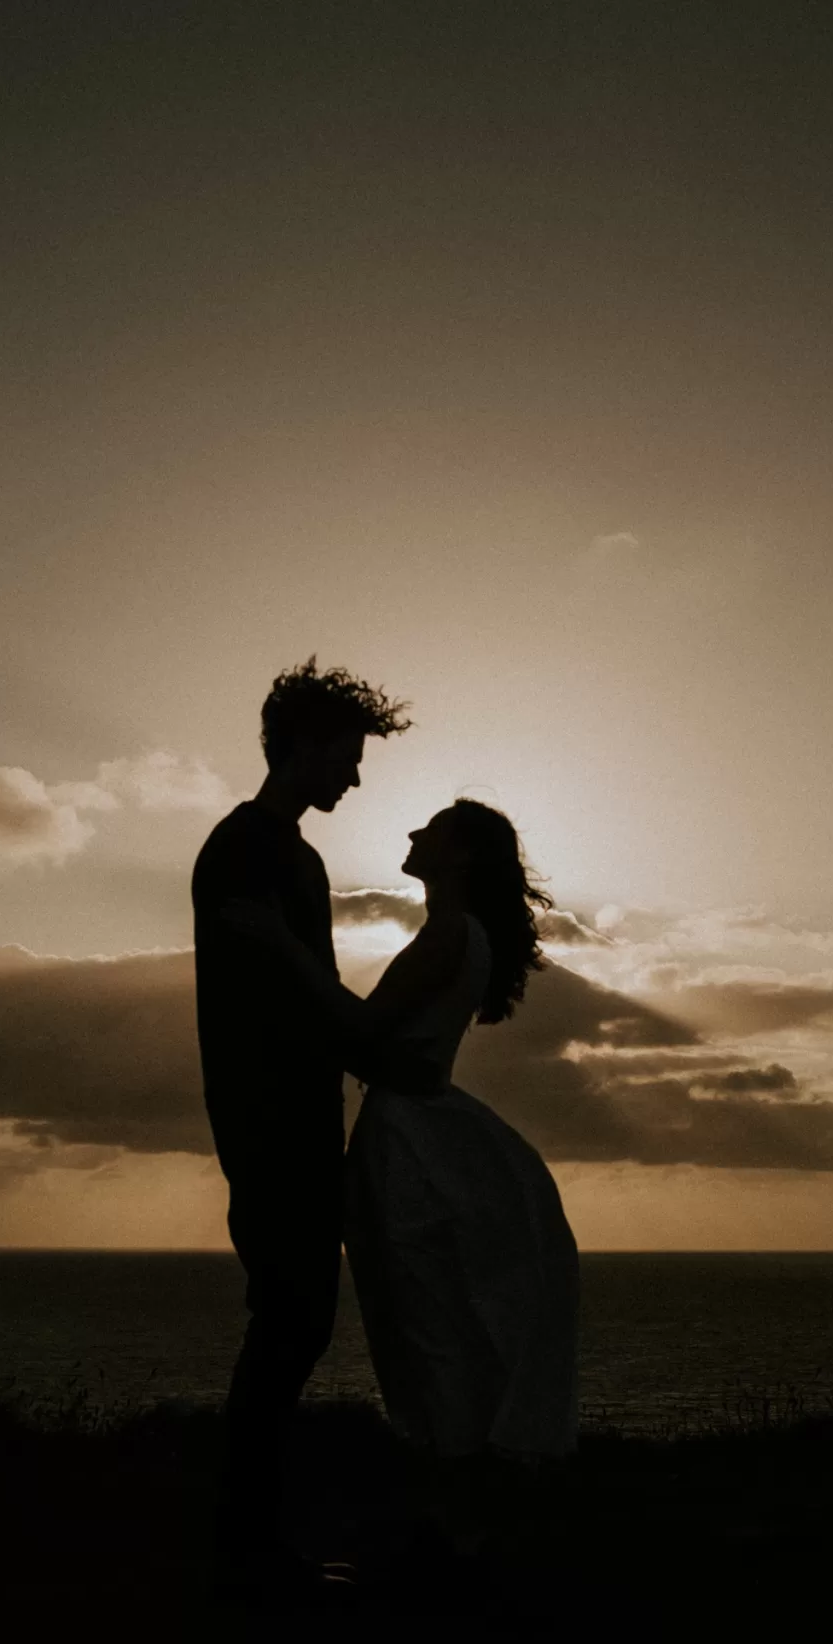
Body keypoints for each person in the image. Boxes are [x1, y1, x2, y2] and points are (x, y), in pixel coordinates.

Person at [223, 798, 580, 1561]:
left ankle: (453, 1534)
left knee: (423, 1322)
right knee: (435, 1317)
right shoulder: (470, 936)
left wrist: (282, 949)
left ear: (459, 856)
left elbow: (359, 1032)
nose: (414, 834)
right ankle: (459, 1526)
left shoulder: (450, 933)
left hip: (407, 1141)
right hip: (418, 1124)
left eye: (432, 829)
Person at [190, 658, 417, 1594]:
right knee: (292, 1319)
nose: (355, 777)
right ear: (306, 746)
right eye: (348, 756)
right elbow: (286, 985)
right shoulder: (243, 849)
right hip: (269, 1120)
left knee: (297, 1320)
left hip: (300, 1115)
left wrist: (361, 1050)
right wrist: (370, 1040)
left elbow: (311, 991)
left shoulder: (299, 858)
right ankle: (245, 1551)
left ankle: (248, 1540)